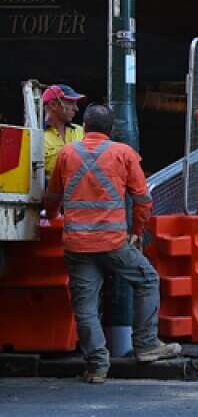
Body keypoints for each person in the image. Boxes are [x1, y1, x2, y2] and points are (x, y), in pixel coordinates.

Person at [44, 104, 180, 383]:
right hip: (114, 242)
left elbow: (52, 198)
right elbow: (142, 200)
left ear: (84, 126)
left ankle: (96, 367)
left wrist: (52, 216)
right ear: (111, 130)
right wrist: (138, 232)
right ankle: (146, 345)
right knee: (147, 280)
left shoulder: (67, 153)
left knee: (85, 305)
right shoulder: (123, 153)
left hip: (77, 244)